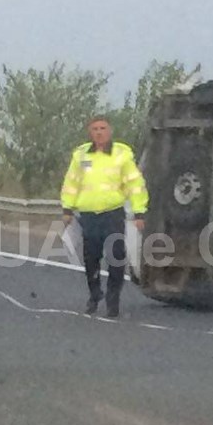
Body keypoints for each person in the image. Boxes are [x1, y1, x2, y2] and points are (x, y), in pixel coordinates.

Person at [60, 116, 148, 318]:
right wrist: (67, 209)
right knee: (91, 257)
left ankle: (113, 298)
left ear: (110, 131)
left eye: (103, 128)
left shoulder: (121, 155)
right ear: (90, 132)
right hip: (89, 215)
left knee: (116, 256)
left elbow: (135, 185)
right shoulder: (81, 155)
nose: (99, 132)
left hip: (113, 213)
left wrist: (139, 211)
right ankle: (94, 292)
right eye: (95, 129)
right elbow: (71, 183)